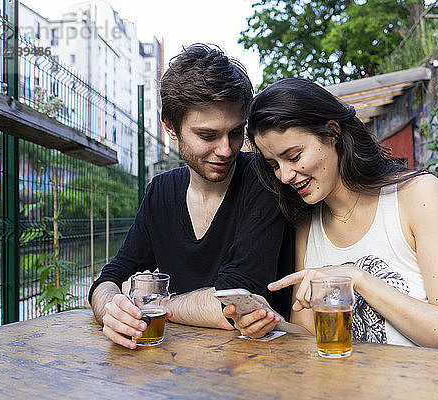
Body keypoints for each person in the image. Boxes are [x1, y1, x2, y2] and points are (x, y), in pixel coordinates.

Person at [225, 78, 438, 353]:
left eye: (295, 156)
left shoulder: (418, 195)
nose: (285, 176)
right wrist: (270, 324)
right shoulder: (308, 223)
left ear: (332, 133)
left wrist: (356, 278)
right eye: (274, 164)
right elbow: (311, 333)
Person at [89, 44, 294, 349]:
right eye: (207, 136)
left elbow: (234, 299)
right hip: (176, 370)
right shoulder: (160, 192)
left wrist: (156, 303)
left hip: (260, 365)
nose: (226, 150)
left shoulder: (264, 179)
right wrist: (112, 310)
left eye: (236, 132)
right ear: (170, 126)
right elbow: (111, 276)